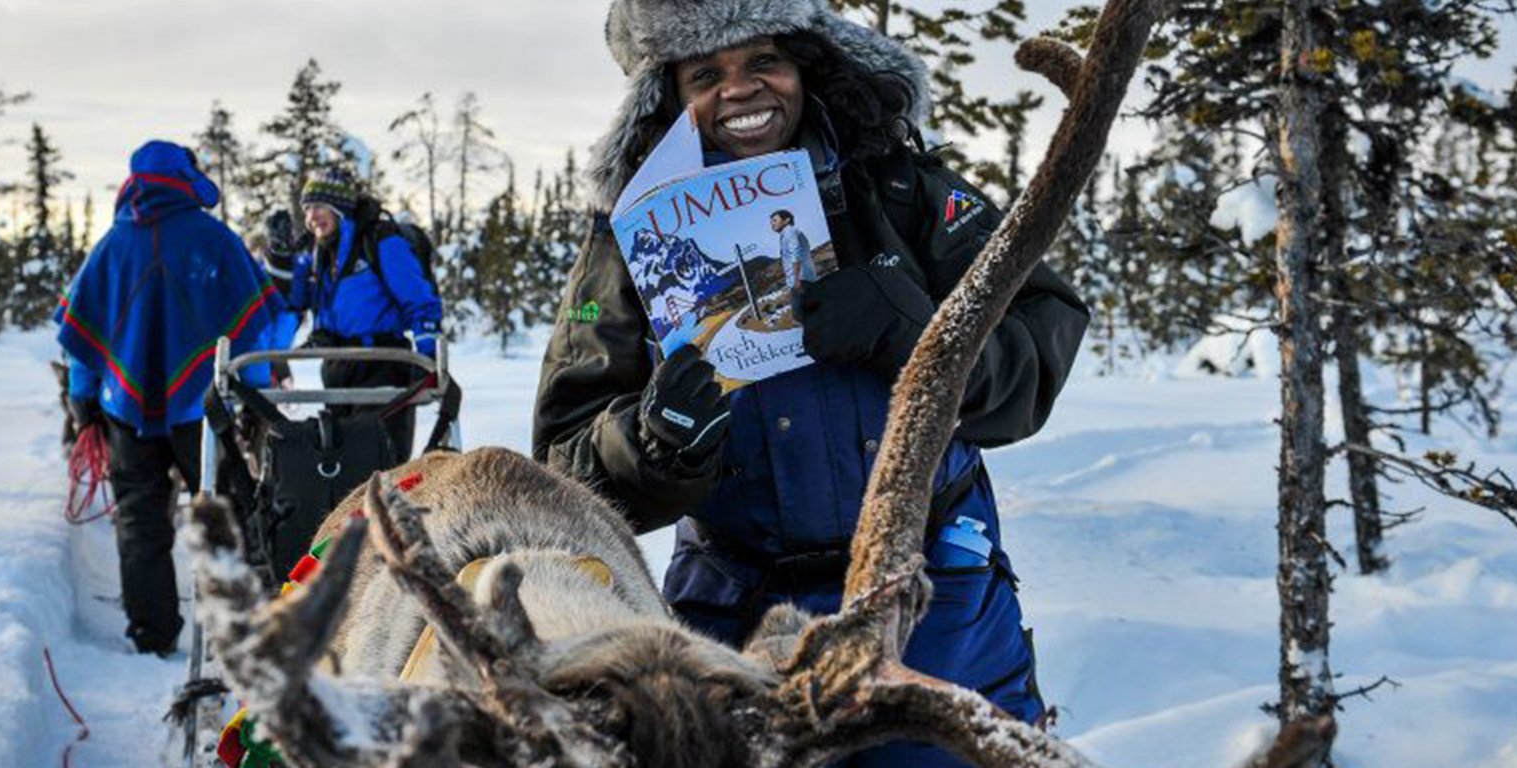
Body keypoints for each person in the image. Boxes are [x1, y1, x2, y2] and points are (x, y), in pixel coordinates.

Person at [532, 1, 1090, 764]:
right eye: (707, 74)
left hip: (930, 594)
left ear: (807, 65)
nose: (741, 90)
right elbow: (567, 466)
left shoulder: (903, 190)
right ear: (668, 96)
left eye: (764, 61)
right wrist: (655, 441)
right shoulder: (633, 240)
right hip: (736, 614)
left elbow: (1041, 342)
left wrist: (917, 333)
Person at [56, 140, 285, 656]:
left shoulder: (114, 245)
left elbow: (82, 336)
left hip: (125, 411)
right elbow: (259, 323)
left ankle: (153, 632)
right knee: (224, 511)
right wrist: (261, 391)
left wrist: (82, 398)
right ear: (185, 177)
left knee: (140, 519)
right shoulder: (215, 241)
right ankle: (242, 630)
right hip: (203, 410)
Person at [284, 170, 443, 461]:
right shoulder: (318, 254)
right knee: (342, 467)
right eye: (306, 209)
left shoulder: (381, 241)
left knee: (380, 463)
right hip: (337, 367)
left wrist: (427, 355)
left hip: (382, 362)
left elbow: (420, 301)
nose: (311, 217)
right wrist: (281, 261)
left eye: (319, 207)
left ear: (339, 208)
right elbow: (295, 304)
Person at [770, 208, 815, 290]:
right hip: (802, 280)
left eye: (775, 220)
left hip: (801, 281)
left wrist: (796, 279)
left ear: (787, 220)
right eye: (771, 222)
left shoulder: (789, 231)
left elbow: (796, 254)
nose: (772, 224)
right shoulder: (788, 233)